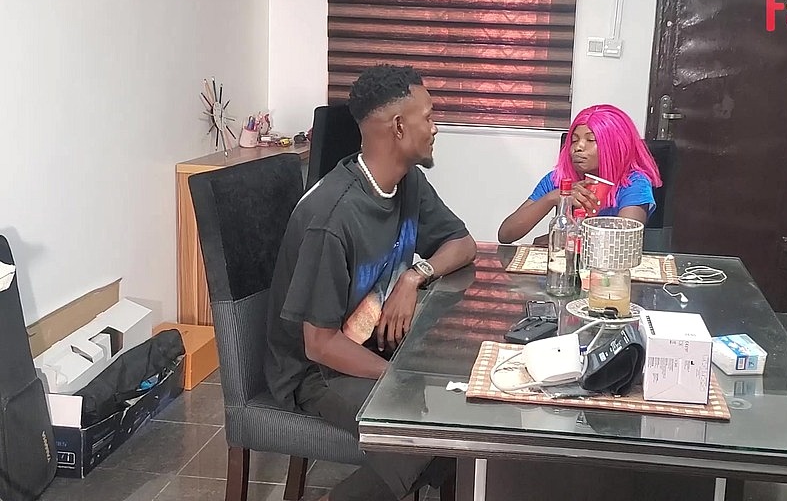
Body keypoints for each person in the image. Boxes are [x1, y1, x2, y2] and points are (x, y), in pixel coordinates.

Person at [264, 64, 477, 501]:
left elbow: (462, 244)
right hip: (316, 372)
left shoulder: (408, 183)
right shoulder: (332, 219)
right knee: (419, 440)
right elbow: (319, 345)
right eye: (428, 117)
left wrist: (414, 277)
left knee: (461, 417)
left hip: (370, 346)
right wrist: (399, 376)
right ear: (398, 127)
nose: (435, 128)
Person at [498, 104, 662, 244]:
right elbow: (506, 234)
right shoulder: (557, 179)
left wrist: (558, 238)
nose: (578, 147)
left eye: (590, 140)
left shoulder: (634, 182)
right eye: (574, 140)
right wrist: (553, 197)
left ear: (615, 145)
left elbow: (623, 240)